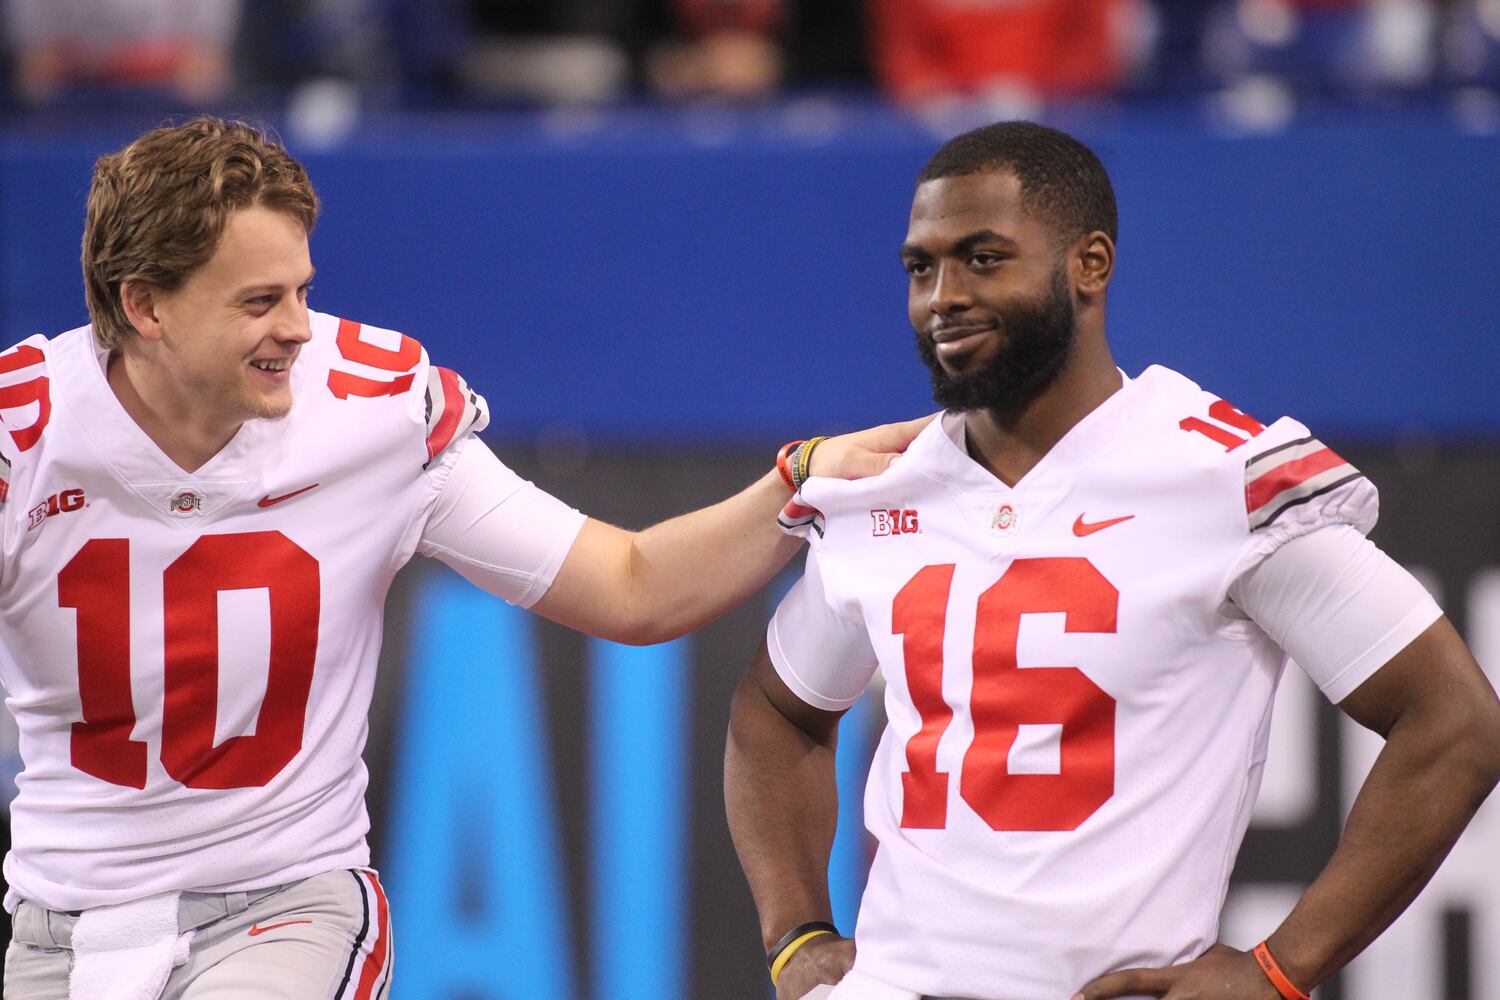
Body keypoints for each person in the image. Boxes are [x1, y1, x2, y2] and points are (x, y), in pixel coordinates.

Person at [0, 116, 921, 1000]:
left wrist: (797, 478)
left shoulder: (370, 415)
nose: (299, 328)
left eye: (302, 291)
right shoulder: (23, 436)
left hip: (281, 905)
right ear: (145, 305)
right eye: (259, 301)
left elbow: (631, 586)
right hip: (57, 923)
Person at [724, 121, 1500, 1000]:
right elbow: (778, 712)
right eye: (920, 267)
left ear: (1089, 264)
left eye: (983, 259)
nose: (943, 297)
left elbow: (1454, 721)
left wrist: (1281, 969)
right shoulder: (882, 484)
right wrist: (795, 934)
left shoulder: (1219, 474)